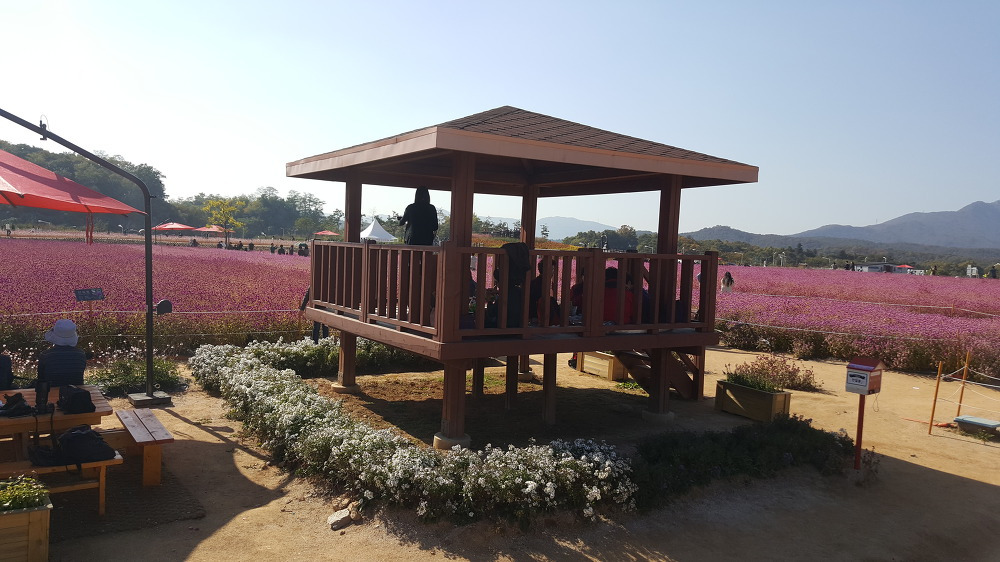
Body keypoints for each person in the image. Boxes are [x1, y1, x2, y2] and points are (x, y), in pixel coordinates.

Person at [37, 319, 87, 386]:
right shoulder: (81, 354)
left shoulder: (45, 355)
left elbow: (41, 379)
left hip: (51, 391)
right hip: (76, 391)